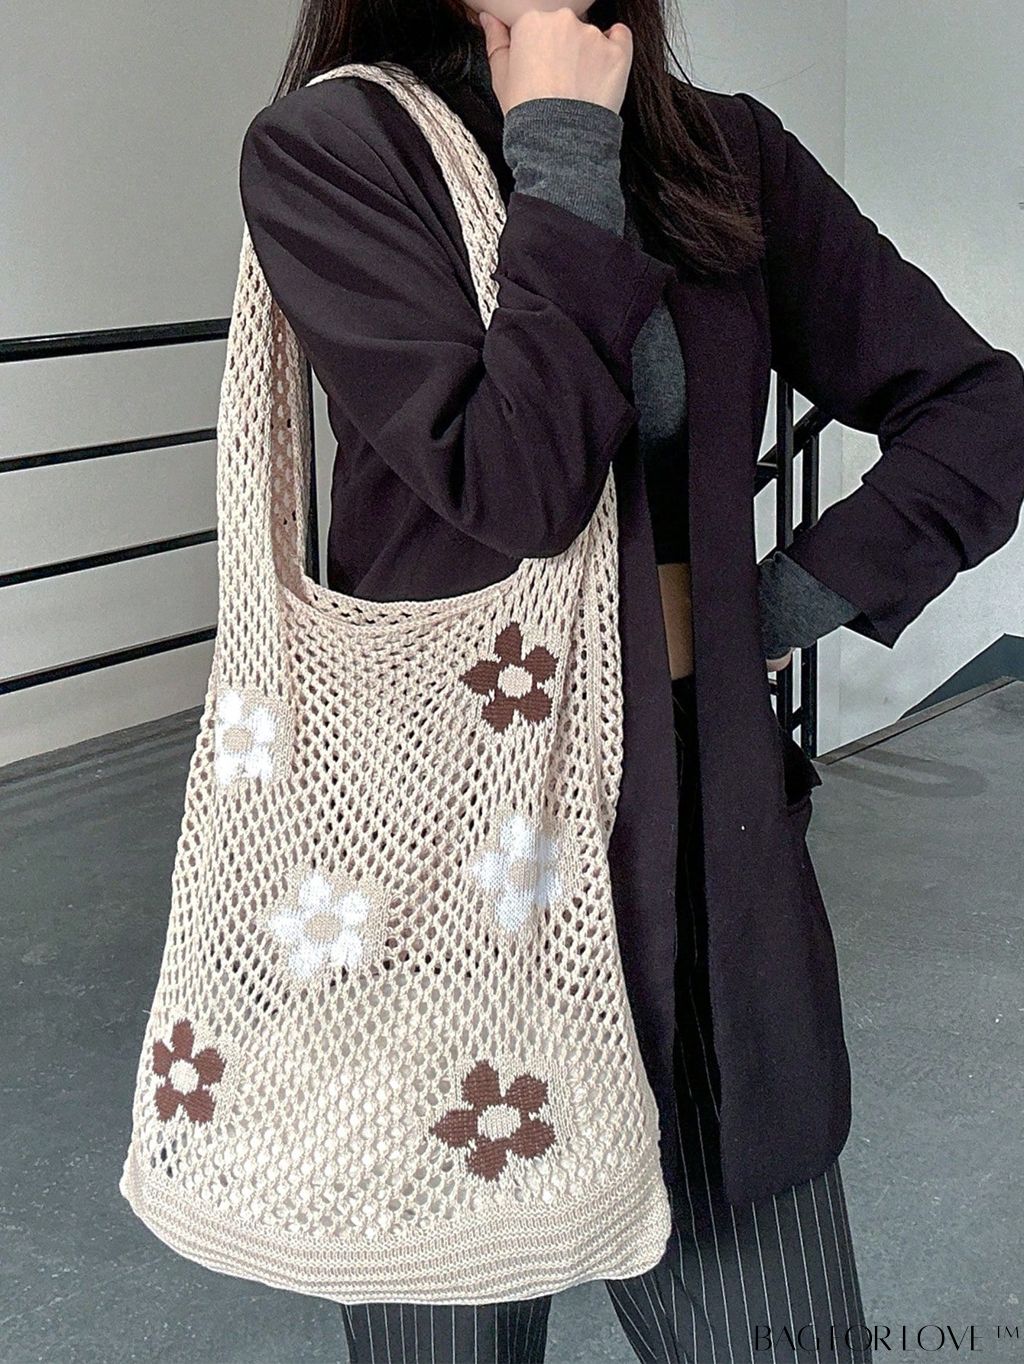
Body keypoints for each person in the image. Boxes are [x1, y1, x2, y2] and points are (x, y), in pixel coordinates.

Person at [236, 2, 1024, 1359]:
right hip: (430, 871)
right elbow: (519, 487)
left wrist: (770, 606)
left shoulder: (723, 154)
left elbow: (980, 408)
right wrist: (561, 144)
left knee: (771, 1323)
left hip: (695, 858)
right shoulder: (339, 148)